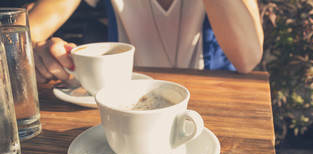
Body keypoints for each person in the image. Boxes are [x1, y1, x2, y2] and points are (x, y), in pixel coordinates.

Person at [27, 0, 264, 83]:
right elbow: (23, 32)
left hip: (214, 112)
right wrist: (38, 53)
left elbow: (247, 59)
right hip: (123, 105)